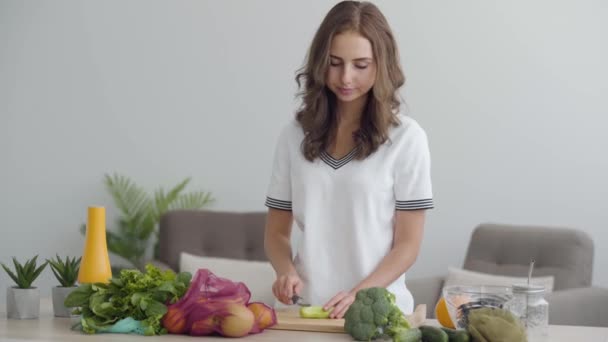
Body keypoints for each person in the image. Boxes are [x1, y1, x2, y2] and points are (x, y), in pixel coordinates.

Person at [263, 0, 433, 319]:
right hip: (303, 313)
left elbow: (407, 245)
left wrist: (359, 294)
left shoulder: (407, 139)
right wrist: (284, 270)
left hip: (378, 313)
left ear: (381, 65)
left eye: (361, 65)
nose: (345, 77)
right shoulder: (293, 135)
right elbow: (276, 232)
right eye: (335, 62)